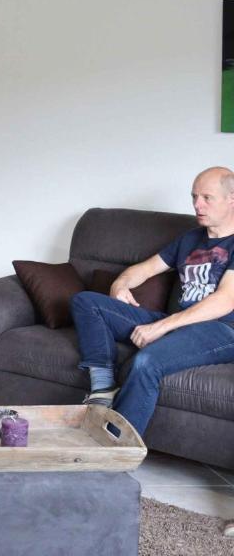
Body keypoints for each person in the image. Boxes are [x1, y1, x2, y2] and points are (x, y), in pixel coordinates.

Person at [71, 166, 234, 438]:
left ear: (232, 198)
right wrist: (120, 284)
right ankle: (102, 389)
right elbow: (144, 270)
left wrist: (160, 328)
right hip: (179, 325)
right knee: (86, 302)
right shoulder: (190, 239)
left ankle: (114, 451)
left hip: (221, 330)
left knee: (146, 362)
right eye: (194, 196)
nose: (197, 204)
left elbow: (225, 300)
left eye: (207, 197)